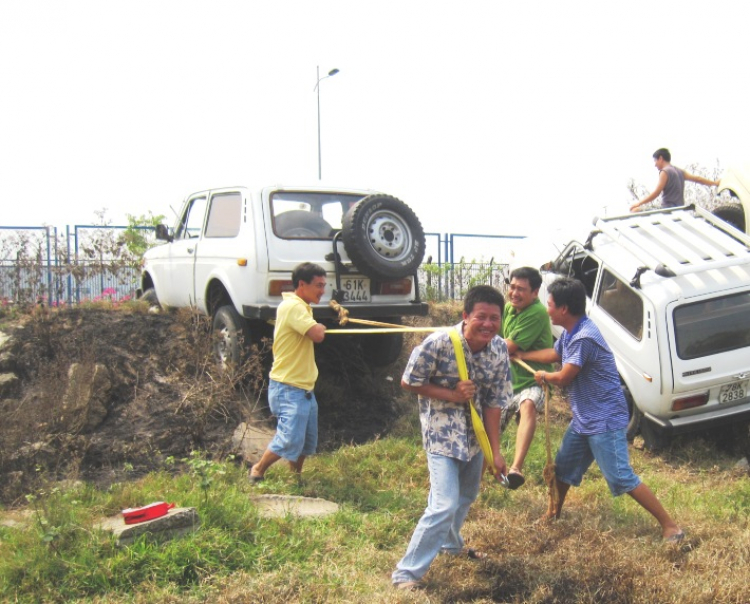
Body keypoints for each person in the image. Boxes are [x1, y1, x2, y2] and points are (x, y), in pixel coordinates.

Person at [515, 277, 684, 542]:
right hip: (584, 418)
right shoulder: (572, 331)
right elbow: (555, 355)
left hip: (604, 419)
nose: (546, 309)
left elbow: (565, 376)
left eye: (549, 304)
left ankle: (670, 526)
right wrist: (522, 356)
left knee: (620, 477)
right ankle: (553, 513)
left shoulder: (584, 337)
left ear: (563, 309)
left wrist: (545, 377)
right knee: (562, 468)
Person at [392, 285, 513, 591]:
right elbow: (409, 381)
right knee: (444, 503)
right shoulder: (439, 343)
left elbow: (495, 401)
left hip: (475, 436)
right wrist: (452, 394)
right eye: (481, 317)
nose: (488, 324)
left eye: (494, 318)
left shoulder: (499, 349)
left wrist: (494, 452)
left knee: (466, 496)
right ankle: (407, 573)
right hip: (442, 431)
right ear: (465, 316)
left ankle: (450, 545)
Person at [249, 262, 327, 482]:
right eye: (318, 285)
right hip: (288, 387)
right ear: (302, 284)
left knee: (305, 440)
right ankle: (257, 470)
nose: (322, 291)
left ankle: (295, 478)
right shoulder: (293, 307)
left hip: (304, 388)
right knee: (290, 438)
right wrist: (321, 327)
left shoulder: (302, 306)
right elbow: (317, 335)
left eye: (324, 286)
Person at [501, 266, 554, 489]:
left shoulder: (537, 312)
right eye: (512, 287)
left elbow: (507, 346)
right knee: (488, 430)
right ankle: (476, 474)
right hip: (507, 384)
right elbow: (498, 342)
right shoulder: (508, 309)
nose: (514, 293)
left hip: (533, 381)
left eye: (521, 289)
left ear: (535, 292)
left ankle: (515, 469)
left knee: (528, 404)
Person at [630, 147, 720, 212]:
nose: (655, 164)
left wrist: (639, 203)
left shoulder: (664, 172)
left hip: (667, 209)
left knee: (635, 210)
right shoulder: (679, 171)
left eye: (655, 161)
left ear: (660, 158)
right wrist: (715, 183)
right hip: (679, 209)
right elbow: (697, 179)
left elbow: (657, 193)